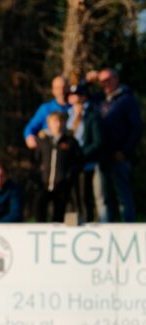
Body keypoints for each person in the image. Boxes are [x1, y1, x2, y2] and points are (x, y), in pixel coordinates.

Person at [88, 68, 143, 222]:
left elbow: (136, 128)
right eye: (102, 81)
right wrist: (87, 82)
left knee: (123, 195)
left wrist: (124, 151)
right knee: (101, 196)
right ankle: (106, 229)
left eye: (108, 80)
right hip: (101, 156)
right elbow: (75, 95)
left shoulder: (127, 100)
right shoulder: (99, 100)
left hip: (119, 155)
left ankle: (128, 227)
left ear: (116, 80)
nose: (104, 84)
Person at [34, 112, 82, 222]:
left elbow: (78, 161)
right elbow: (36, 160)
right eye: (55, 121)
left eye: (61, 121)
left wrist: (69, 175)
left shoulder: (70, 141)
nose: (58, 124)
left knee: (59, 212)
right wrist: (38, 176)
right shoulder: (43, 140)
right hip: (44, 183)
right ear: (49, 124)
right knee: (39, 206)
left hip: (62, 184)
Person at [66, 82, 103, 223]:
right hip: (70, 163)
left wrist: (81, 156)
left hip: (86, 163)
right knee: (72, 196)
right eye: (72, 95)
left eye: (78, 95)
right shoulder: (67, 115)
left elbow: (97, 141)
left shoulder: (92, 115)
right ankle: (72, 223)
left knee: (85, 195)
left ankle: (87, 222)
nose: (75, 98)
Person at [24, 76, 69, 150]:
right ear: (53, 90)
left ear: (69, 88)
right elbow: (31, 127)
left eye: (64, 87)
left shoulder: (76, 107)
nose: (61, 91)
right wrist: (29, 137)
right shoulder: (46, 108)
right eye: (58, 88)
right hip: (51, 149)